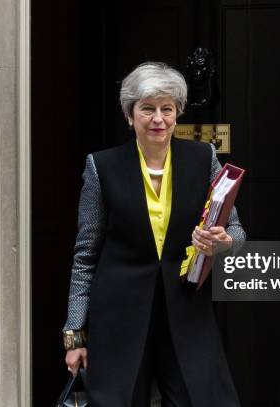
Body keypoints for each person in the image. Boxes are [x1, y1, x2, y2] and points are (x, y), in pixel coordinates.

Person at [62, 62, 245, 407]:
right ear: (130, 115)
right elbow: (85, 256)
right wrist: (74, 336)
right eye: (147, 109)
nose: (158, 118)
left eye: (167, 108)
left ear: (177, 114)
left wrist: (224, 242)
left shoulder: (202, 157)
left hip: (186, 312)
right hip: (119, 316)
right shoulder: (101, 167)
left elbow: (236, 230)